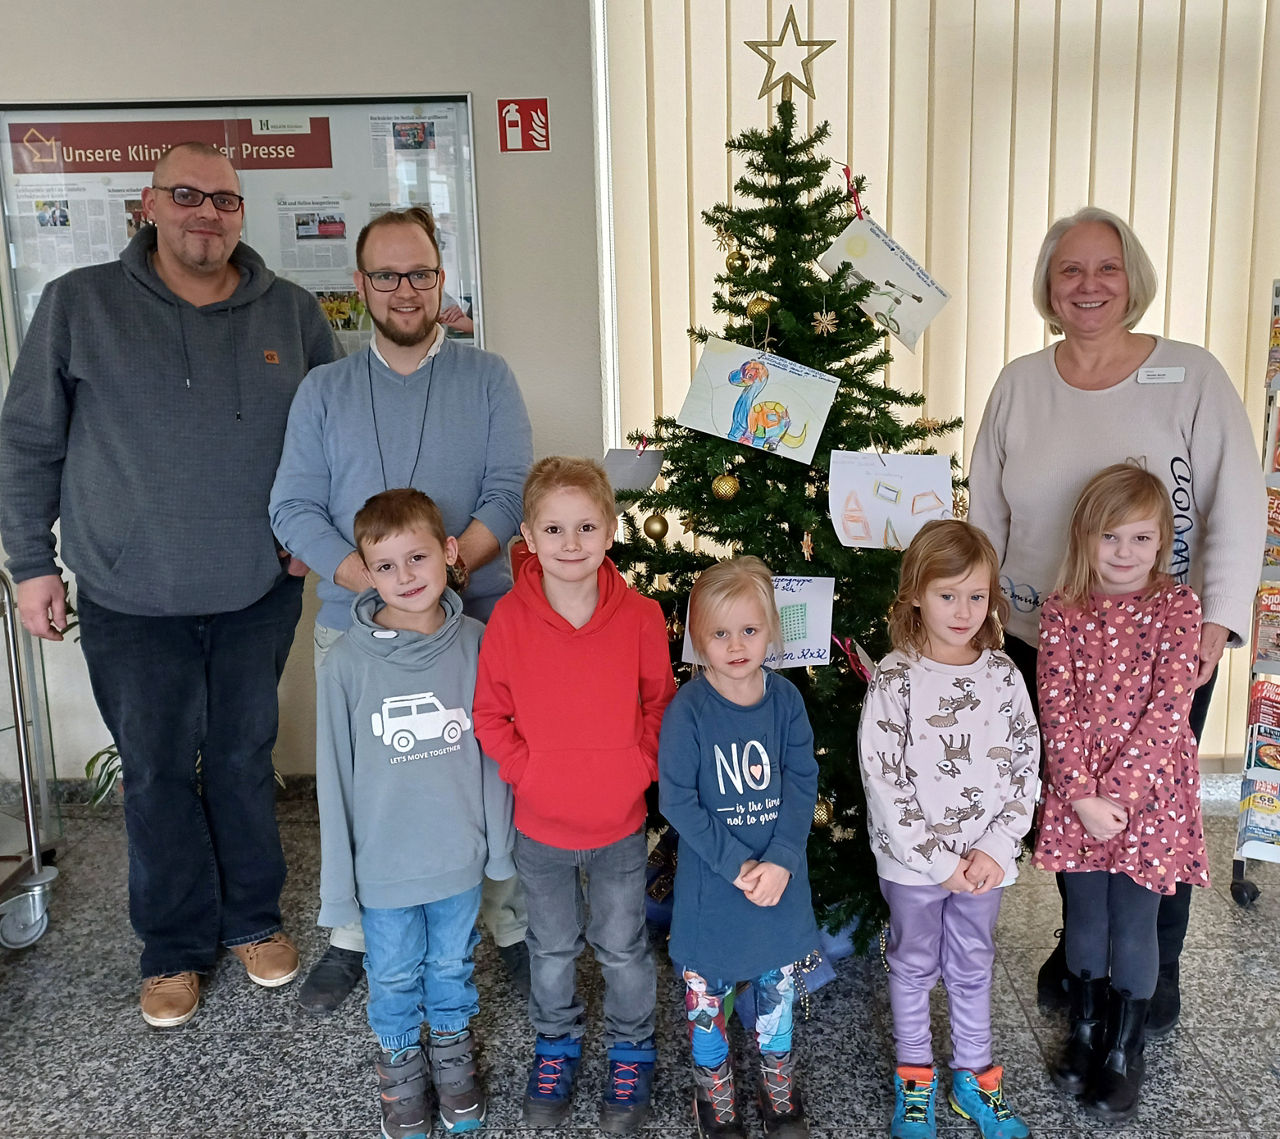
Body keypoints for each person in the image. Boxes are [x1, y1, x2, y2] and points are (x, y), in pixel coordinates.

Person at [0, 141, 339, 1026]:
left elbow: (335, 434)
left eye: (224, 200)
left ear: (240, 212)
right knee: (153, 772)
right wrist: (32, 562)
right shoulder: (79, 305)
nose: (207, 213)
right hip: (126, 593)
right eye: (186, 195)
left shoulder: (292, 313)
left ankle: (252, 920)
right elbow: (29, 441)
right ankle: (174, 948)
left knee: (237, 758)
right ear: (148, 205)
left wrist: (316, 538)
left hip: (254, 590)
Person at [967, 206, 1265, 1031]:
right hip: (1045, 639)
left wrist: (1219, 620)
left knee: (1150, 807)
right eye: (1071, 270)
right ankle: (1083, 943)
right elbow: (984, 507)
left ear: (1132, 279)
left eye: (1106, 268)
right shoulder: (1021, 384)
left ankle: (1154, 963)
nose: (1088, 285)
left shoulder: (1193, 375)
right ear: (1048, 287)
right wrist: (977, 613)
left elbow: (1238, 503)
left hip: (1165, 650)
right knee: (1068, 800)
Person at [269, 206, 534, 1014]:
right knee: (362, 788)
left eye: (420, 272)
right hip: (360, 633)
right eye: (385, 275)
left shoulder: (487, 378)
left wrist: (449, 568)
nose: (404, 290)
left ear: (440, 277)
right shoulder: (325, 389)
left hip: (473, 630)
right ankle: (352, 932)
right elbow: (293, 507)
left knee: (482, 775)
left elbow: (506, 493)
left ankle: (509, 922)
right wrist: (375, 580)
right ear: (359, 286)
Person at [473, 457, 676, 1133]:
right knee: (553, 947)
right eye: (553, 527)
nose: (569, 541)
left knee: (622, 946)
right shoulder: (508, 618)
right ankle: (554, 1043)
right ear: (528, 534)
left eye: (585, 525)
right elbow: (489, 716)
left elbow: (659, 704)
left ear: (610, 529)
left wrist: (636, 768)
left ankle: (631, 1046)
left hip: (618, 822)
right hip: (542, 826)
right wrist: (529, 773)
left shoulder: (642, 615)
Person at [316, 488, 514, 1137]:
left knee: (452, 963)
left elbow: (492, 753)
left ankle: (453, 1060)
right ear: (365, 573)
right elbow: (335, 778)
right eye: (387, 565)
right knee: (394, 969)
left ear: (450, 552)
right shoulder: (345, 662)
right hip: (385, 868)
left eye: (417, 557)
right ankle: (401, 1068)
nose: (405, 577)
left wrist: (498, 846)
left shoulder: (478, 645)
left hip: (456, 857)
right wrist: (340, 887)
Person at [1034, 464, 1207, 1122]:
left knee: (1134, 924)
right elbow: (1057, 704)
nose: (1126, 552)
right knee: (1087, 920)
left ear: (1162, 540)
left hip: (1152, 797)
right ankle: (1084, 1031)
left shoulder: (1178, 608)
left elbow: (1169, 709)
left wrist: (1122, 797)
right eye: (1112, 537)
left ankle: (1122, 1049)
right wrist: (1080, 793)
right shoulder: (1062, 609)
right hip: (1077, 796)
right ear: (1086, 538)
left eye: (1141, 538)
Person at [857, 520, 1038, 1139]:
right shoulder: (895, 679)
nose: (964, 611)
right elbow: (884, 780)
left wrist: (995, 845)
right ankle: (916, 1079)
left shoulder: (1005, 676)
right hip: (915, 865)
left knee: (972, 963)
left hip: (985, 864)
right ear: (914, 593)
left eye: (977, 596)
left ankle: (974, 1078)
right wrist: (939, 862)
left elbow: (1024, 765)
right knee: (912, 964)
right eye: (947, 595)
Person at [658, 556, 820, 1139]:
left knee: (777, 1000)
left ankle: (778, 1085)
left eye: (749, 630)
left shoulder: (786, 703)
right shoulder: (689, 712)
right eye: (719, 634)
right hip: (713, 895)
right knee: (707, 1006)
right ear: (697, 642)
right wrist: (739, 864)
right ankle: (714, 1094)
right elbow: (678, 802)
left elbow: (803, 783)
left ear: (771, 631)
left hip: (778, 889)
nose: (735, 645)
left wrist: (779, 859)